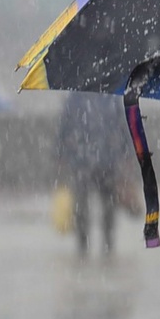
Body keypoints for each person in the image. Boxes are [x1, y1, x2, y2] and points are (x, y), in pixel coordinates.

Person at [57, 91, 128, 256]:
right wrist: (60, 154)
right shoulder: (74, 100)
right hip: (82, 162)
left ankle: (107, 244)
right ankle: (83, 245)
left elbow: (122, 129)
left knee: (109, 207)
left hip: (106, 162)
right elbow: (64, 129)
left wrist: (125, 155)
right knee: (81, 207)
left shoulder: (110, 99)